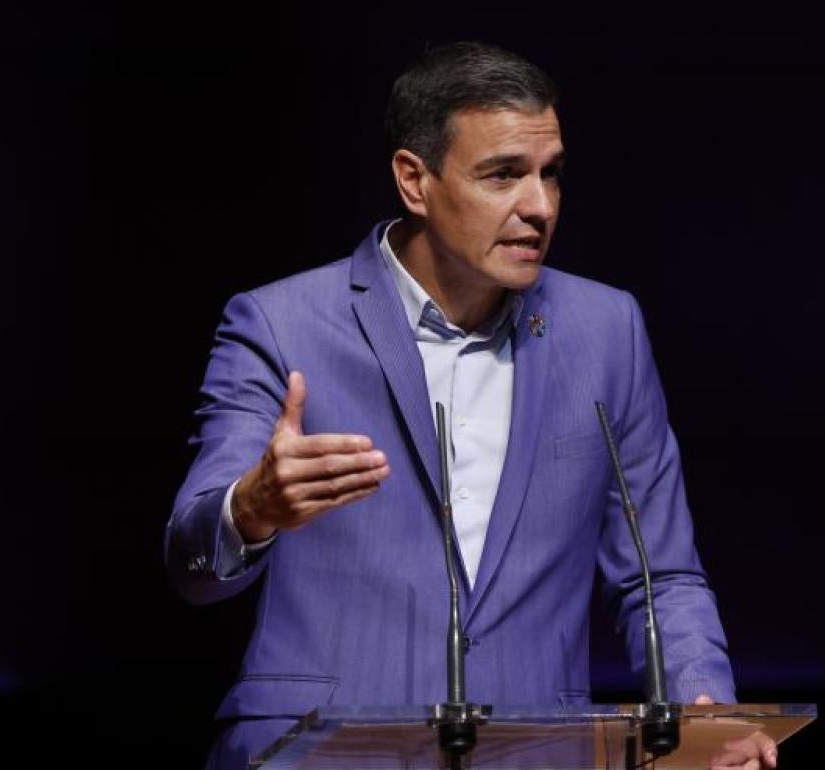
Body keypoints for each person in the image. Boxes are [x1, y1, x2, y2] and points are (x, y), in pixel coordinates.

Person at [167, 42, 777, 770]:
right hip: (318, 754)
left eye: (551, 174)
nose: (540, 206)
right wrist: (250, 509)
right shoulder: (279, 324)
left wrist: (703, 708)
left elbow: (660, 577)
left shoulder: (606, 331)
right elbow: (191, 564)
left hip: (533, 755)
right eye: (503, 175)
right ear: (414, 181)